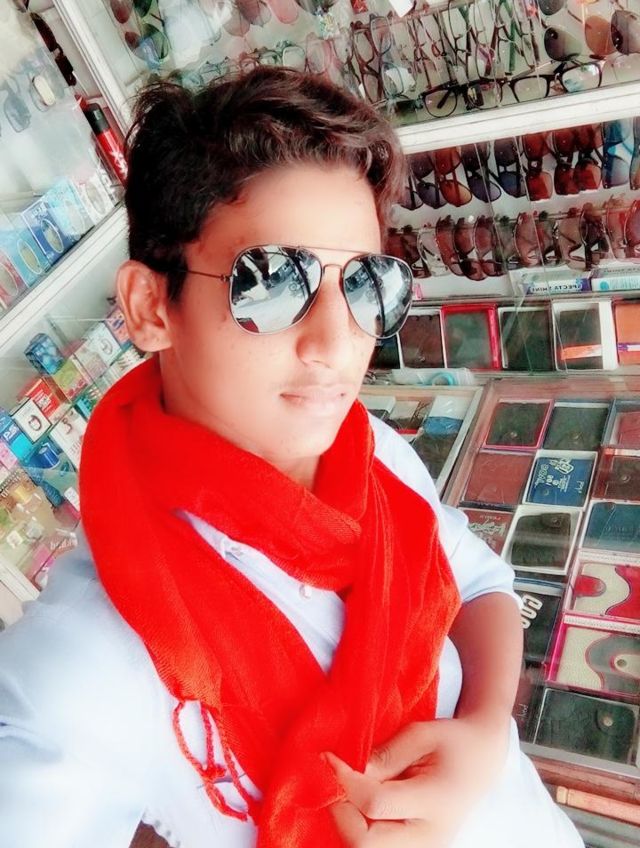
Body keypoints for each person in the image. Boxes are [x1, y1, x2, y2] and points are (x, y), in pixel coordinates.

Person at [0, 67, 584, 848]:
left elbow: (479, 583)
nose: (337, 341)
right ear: (150, 306)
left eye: (368, 285)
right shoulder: (89, 659)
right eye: (274, 282)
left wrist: (482, 734)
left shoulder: (368, 454)